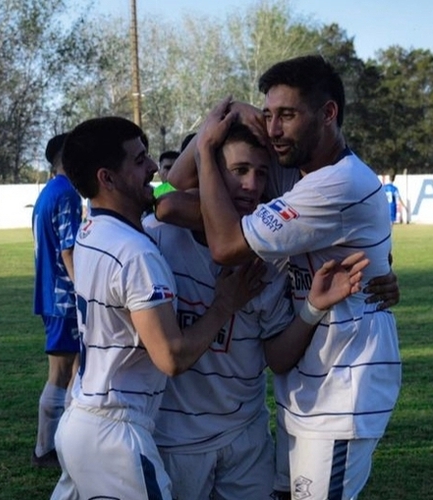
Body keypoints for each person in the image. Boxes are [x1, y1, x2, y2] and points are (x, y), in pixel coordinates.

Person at [179, 55, 402, 499]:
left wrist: (206, 146)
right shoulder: (293, 169)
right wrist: (230, 114)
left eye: (287, 115)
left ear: (328, 114)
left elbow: (224, 244)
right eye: (268, 115)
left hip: (344, 390)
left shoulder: (338, 184)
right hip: (303, 388)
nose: (274, 129)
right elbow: (171, 183)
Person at [49, 116, 268, 500]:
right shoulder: (138, 253)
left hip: (81, 419)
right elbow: (171, 357)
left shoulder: (94, 231)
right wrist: (225, 303)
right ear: (108, 178)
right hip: (116, 432)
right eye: (139, 160)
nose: (154, 168)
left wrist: (206, 137)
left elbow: (167, 192)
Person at [147, 122, 369, 500]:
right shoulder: (154, 239)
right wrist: (215, 125)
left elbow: (277, 358)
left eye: (261, 172)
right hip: (176, 440)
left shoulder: (272, 252)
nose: (252, 185)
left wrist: (313, 307)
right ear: (211, 173)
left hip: (245, 438)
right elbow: (163, 195)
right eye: (239, 171)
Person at [30, 132, 83, 468]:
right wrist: (86, 289)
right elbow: (68, 248)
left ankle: (67, 445)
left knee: (77, 372)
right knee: (62, 373)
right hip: (64, 298)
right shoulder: (67, 195)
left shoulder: (47, 193)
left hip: (51, 294)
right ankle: (45, 450)